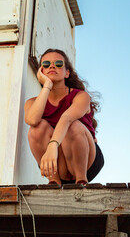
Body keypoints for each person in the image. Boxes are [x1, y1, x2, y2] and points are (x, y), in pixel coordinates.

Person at [24, 49, 104, 185]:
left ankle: (81, 181)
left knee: (72, 125)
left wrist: (52, 146)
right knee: (36, 128)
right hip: (56, 163)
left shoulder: (80, 96)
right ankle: (54, 182)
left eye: (59, 63)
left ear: (67, 73)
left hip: (85, 161)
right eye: (46, 64)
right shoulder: (32, 102)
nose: (52, 66)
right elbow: (32, 120)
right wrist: (47, 86)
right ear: (40, 72)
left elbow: (66, 118)